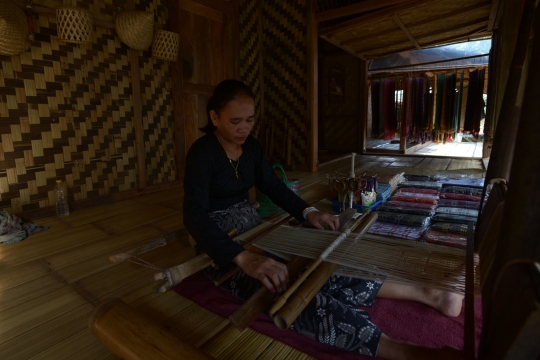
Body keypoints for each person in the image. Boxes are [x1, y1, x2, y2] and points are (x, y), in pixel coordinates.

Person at [183, 79, 465, 359]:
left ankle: (432, 294)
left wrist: (309, 212)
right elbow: (194, 215)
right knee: (289, 291)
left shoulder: (251, 148)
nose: (243, 128)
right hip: (221, 246)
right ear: (214, 117)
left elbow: (273, 186)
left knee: (328, 262)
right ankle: (404, 351)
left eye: (249, 120)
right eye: (235, 122)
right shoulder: (203, 153)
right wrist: (243, 258)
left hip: (256, 229)